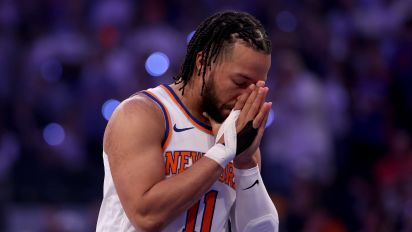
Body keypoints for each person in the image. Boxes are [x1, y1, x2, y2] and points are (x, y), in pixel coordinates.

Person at [96, 11, 279, 232]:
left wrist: (245, 163)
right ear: (203, 63)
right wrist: (221, 153)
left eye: (257, 88)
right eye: (240, 82)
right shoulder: (142, 114)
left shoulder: (239, 142)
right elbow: (146, 216)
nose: (246, 98)